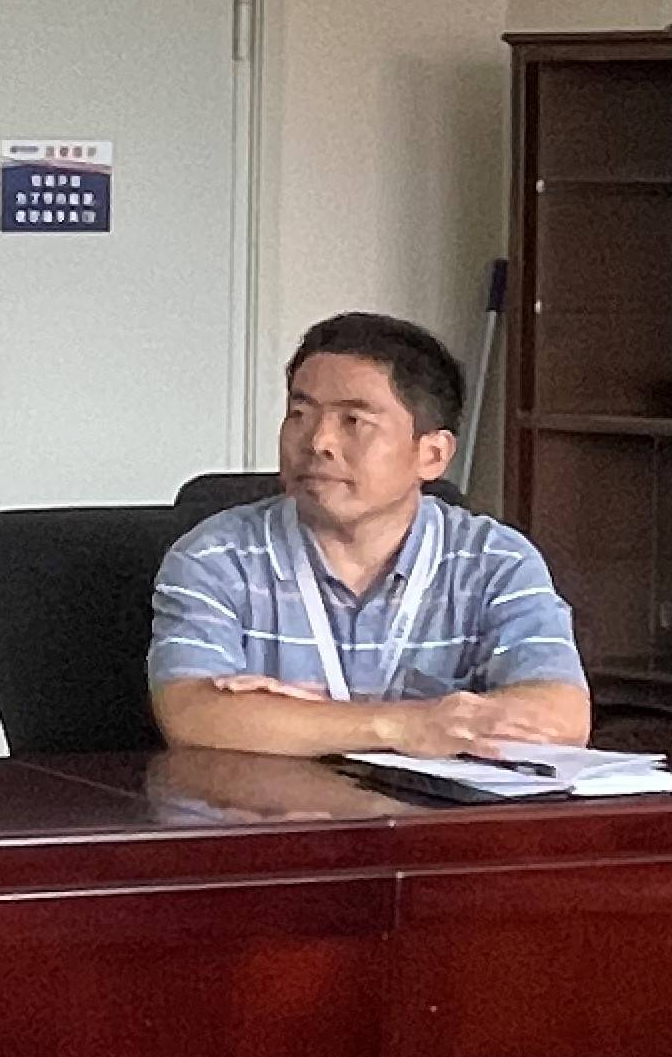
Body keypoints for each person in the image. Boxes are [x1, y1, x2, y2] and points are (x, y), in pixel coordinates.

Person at [150, 311, 589, 757]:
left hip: (435, 805)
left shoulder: (495, 561)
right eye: (300, 414)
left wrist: (300, 721)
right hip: (273, 802)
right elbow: (191, 715)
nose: (318, 441)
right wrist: (408, 725)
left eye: (354, 421)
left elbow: (562, 714)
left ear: (433, 455)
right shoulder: (216, 558)